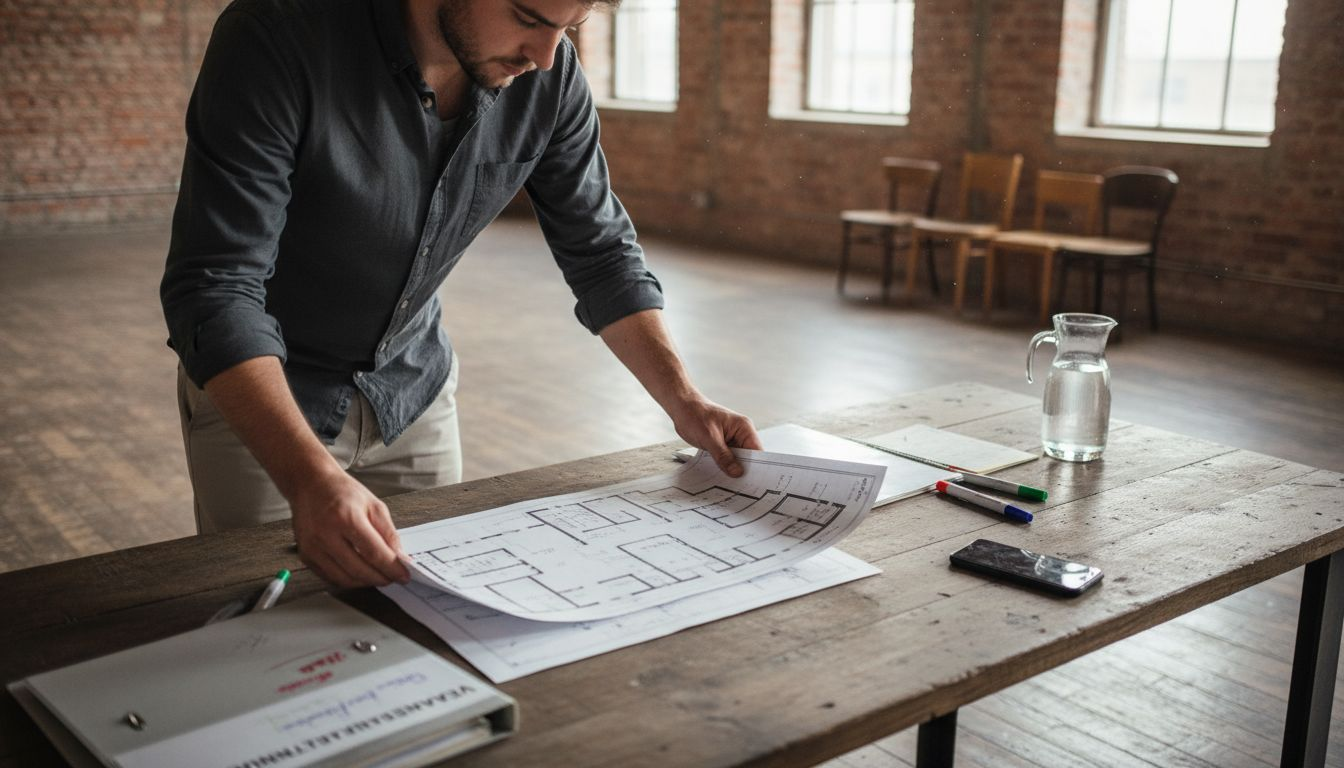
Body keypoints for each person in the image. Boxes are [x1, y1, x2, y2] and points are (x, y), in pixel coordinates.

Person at [160, 0, 760, 590]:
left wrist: (685, 399)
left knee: (429, 611)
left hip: (412, 395)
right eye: (527, 19)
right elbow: (217, 290)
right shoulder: (275, 37)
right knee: (272, 634)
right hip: (271, 408)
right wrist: (309, 479)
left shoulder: (549, 77)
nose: (546, 57)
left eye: (567, 28)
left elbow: (602, 255)